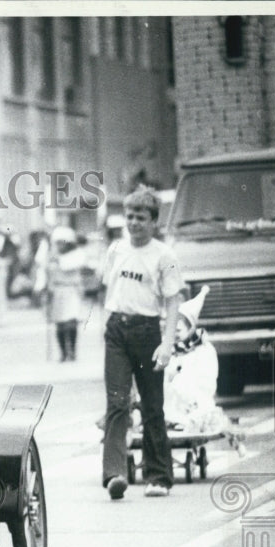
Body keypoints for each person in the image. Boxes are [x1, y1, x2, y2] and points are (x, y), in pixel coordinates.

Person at [101, 185, 184, 499]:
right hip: (117, 331)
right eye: (130, 216)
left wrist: (167, 343)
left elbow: (174, 301)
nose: (134, 222)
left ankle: (158, 477)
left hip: (148, 331)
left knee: (152, 406)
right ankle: (114, 474)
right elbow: (108, 290)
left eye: (141, 217)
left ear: (153, 222)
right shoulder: (116, 250)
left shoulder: (165, 256)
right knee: (117, 403)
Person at [164, 286, 246, 453]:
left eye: (179, 330)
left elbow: (207, 379)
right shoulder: (171, 351)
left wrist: (190, 393)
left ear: (190, 328)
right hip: (174, 401)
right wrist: (170, 377)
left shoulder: (204, 350)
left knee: (203, 414)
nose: (175, 335)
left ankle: (235, 442)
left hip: (196, 399)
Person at [39, 225, 87, 362]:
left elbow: (68, 266)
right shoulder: (51, 256)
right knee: (59, 323)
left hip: (71, 290)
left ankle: (72, 350)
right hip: (57, 291)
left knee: (71, 322)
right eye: (57, 242)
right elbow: (46, 273)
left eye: (62, 242)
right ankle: (63, 352)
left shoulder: (77, 255)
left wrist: (55, 260)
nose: (60, 245)